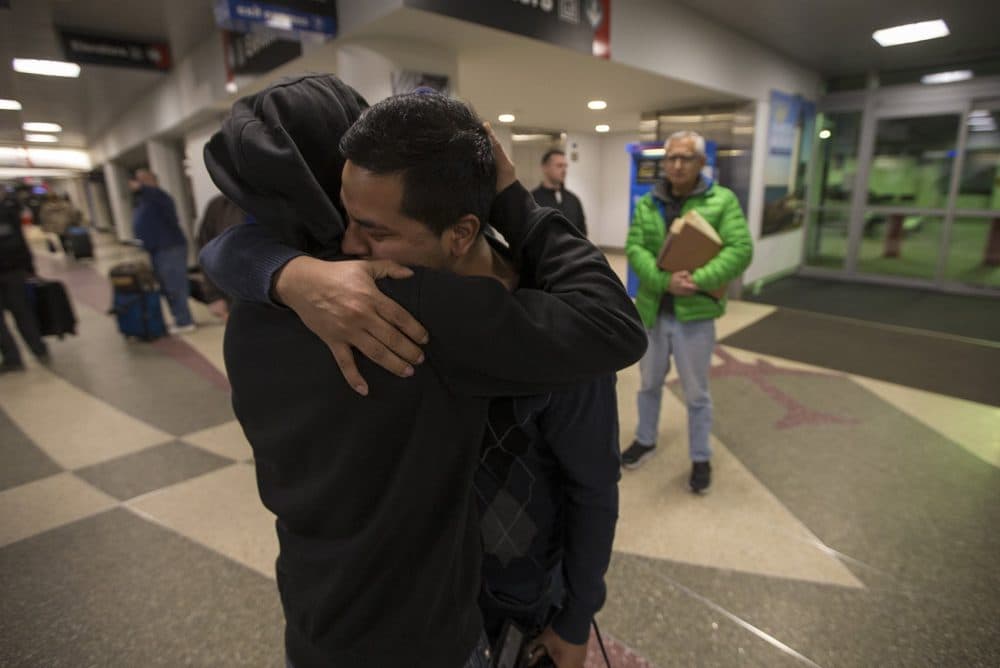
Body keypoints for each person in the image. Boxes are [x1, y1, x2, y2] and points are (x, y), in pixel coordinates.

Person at [201, 76, 645, 668]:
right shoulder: (413, 306)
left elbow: (224, 249)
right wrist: (513, 196)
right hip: (429, 632)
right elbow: (612, 325)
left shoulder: (253, 312)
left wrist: (277, 272)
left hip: (317, 618)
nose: (357, 245)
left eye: (375, 226)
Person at [621, 130, 753, 493]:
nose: (677, 165)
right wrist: (665, 282)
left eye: (685, 158)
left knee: (696, 392)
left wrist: (696, 279)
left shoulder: (722, 201)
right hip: (652, 311)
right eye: (671, 158)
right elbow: (635, 248)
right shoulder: (649, 203)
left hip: (695, 315)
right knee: (648, 384)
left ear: (701, 162)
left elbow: (740, 250)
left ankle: (700, 456)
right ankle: (645, 440)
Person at [128, 168, 194, 334]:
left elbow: (153, 195)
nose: (139, 183)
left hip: (170, 248)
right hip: (156, 249)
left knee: (175, 286)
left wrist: (143, 188)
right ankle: (178, 318)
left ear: (153, 181)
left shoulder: (159, 196)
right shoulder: (144, 201)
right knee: (166, 286)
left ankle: (185, 320)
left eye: (143, 180)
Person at [0, 191, 49, 373]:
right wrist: (29, 268)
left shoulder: (8, 212)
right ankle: (38, 348)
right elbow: (20, 241)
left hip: (12, 271)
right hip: (15, 271)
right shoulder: (10, 211)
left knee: (19, 314)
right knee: (23, 312)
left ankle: (13, 357)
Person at [532, 149, 587, 236]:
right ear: (545, 168)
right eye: (559, 166)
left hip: (571, 249)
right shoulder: (532, 199)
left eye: (565, 166)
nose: (564, 170)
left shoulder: (573, 200)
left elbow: (582, 233)